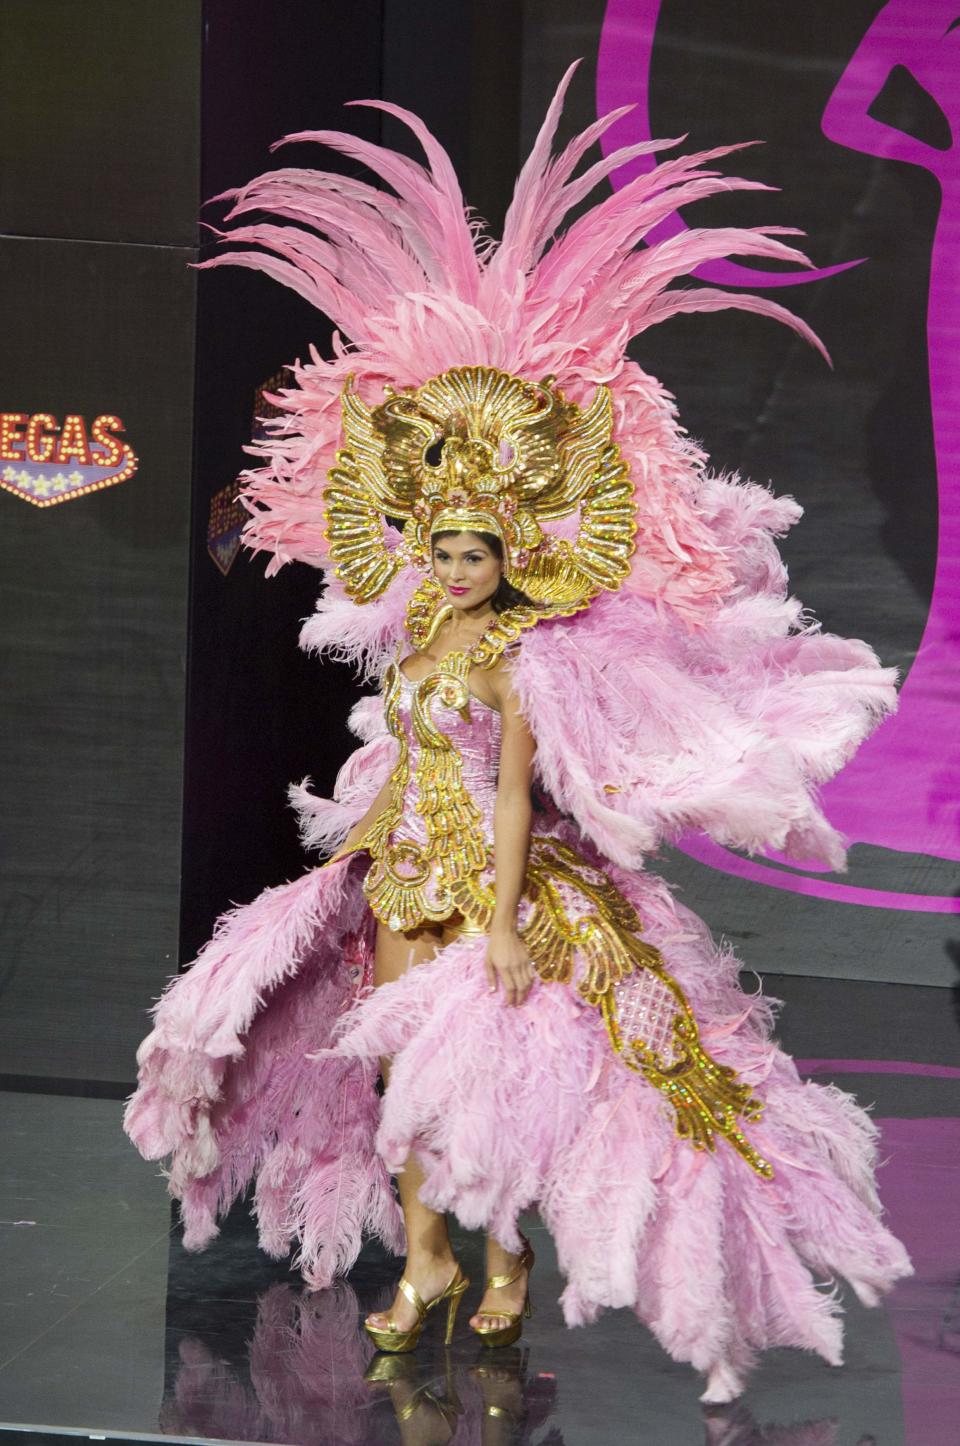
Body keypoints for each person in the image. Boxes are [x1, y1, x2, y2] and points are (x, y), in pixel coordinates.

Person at [124, 63, 912, 1402]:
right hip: (401, 868)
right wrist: (353, 864)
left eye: (481, 544)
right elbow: (395, 736)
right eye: (441, 537)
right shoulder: (423, 637)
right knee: (403, 1086)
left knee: (492, 1089)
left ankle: (492, 1272)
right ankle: (432, 1266)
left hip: (497, 885)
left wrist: (502, 909)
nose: (457, 558)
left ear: (513, 555)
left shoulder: (520, 655)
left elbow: (513, 792)